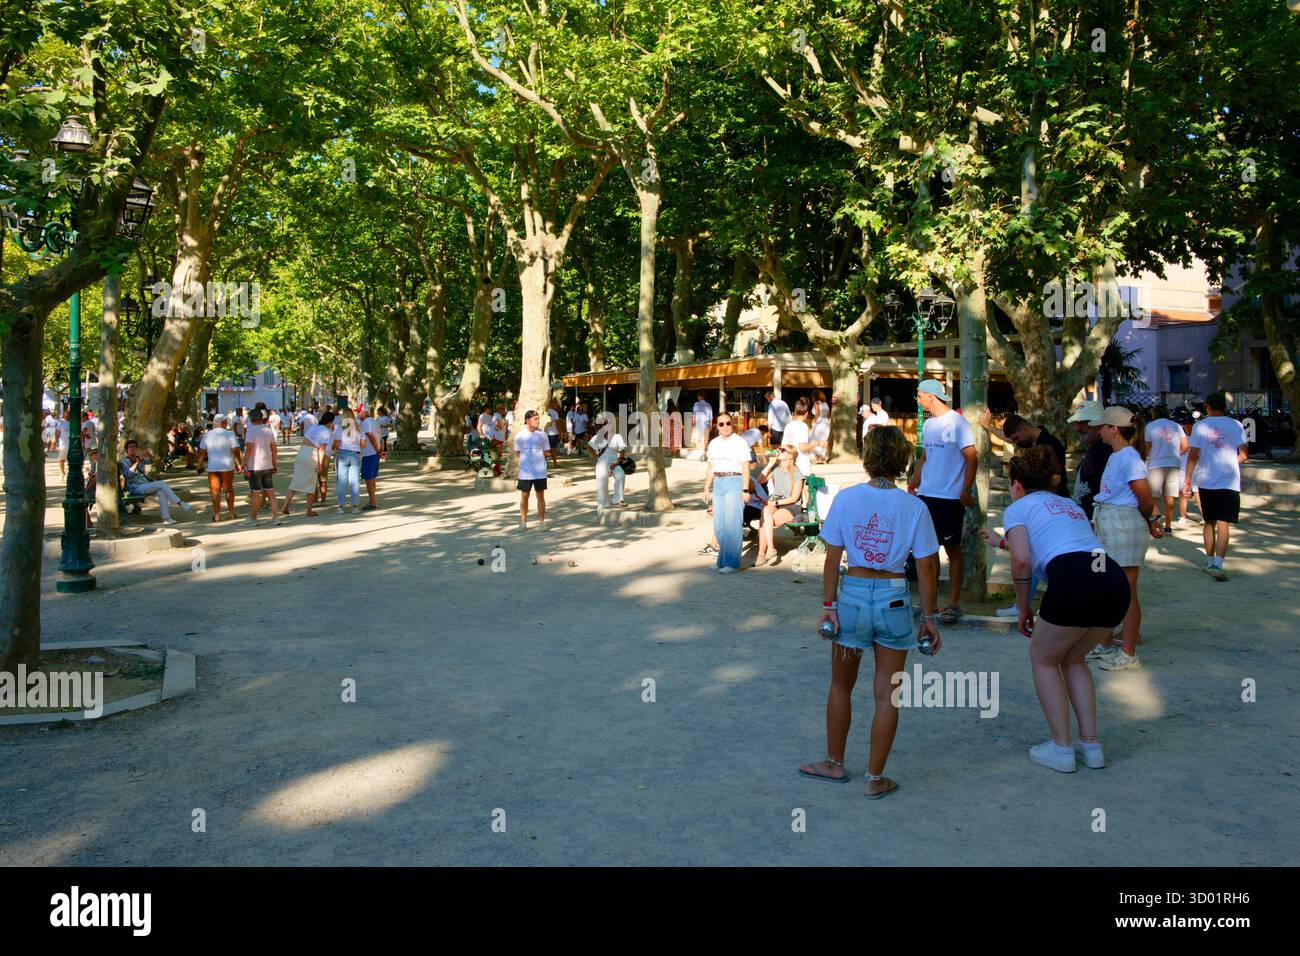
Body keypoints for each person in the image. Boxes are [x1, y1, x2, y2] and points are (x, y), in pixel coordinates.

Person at [800, 425, 941, 797]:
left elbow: (832, 558)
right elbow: (926, 567)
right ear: (901, 460)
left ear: (867, 458)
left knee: (840, 686)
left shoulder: (846, 499)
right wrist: (928, 618)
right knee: (887, 694)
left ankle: (834, 762)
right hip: (895, 596)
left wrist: (829, 606)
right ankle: (874, 778)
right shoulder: (914, 506)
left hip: (853, 596)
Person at [985, 445, 1129, 773]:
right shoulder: (1070, 505)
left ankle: (1062, 748)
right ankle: (1091, 745)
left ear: (1016, 483)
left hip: (1075, 579)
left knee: (1044, 659)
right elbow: (1064, 543)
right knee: (1073, 658)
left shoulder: (1018, 508)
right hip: (1110, 577)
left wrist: (1023, 608)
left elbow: (1021, 560)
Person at [1087, 405, 1163, 670]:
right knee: (1104, 586)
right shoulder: (1117, 455)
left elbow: (1144, 497)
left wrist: (1152, 519)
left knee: (1126, 591)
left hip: (1123, 523)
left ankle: (1128, 652)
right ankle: (1105, 643)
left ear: (1114, 429)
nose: (1099, 431)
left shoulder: (1129, 457)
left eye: (1103, 427)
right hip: (1108, 520)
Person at [978, 410, 1068, 617]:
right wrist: (989, 427)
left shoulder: (1050, 444)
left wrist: (1036, 489)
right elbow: (1010, 438)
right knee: (1035, 555)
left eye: (1017, 437)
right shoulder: (1034, 443)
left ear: (1025, 428)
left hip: (1050, 507)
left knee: (1040, 553)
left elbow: (1057, 478)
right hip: (1046, 506)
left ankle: (1026, 605)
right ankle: (1023, 603)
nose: (1015, 443)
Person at [907, 380, 977, 625]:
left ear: (931, 397)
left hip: (949, 497)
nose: (917, 400)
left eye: (919, 395)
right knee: (929, 549)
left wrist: (966, 490)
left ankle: (954, 603)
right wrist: (913, 484)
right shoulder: (928, 424)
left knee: (953, 550)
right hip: (927, 495)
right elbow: (925, 456)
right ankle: (931, 601)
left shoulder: (958, 423)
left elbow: (971, 458)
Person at [1186, 391, 1248, 582]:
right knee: (1224, 523)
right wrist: (1229, 464)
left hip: (1206, 480)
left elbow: (1193, 456)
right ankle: (1219, 564)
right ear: (1225, 407)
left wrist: (1187, 480)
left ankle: (1209, 561)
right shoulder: (1236, 425)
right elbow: (1244, 455)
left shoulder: (1200, 426)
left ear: (1208, 407)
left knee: (1208, 521)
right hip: (1229, 480)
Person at [702, 411, 752, 573]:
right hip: (718, 482)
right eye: (721, 424)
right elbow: (711, 467)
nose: (725, 426)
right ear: (717, 426)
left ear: (732, 424)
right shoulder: (714, 443)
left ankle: (732, 563)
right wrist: (706, 488)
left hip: (734, 480)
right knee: (719, 524)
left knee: (732, 524)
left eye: (728, 423)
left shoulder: (740, 442)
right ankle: (721, 561)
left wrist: (745, 489)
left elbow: (745, 466)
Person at [755, 444, 806, 567]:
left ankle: (762, 554)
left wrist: (775, 503)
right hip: (775, 503)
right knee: (766, 512)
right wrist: (770, 464)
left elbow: (794, 498)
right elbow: (758, 481)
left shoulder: (797, 474)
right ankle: (769, 549)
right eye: (779, 449)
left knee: (765, 521)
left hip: (791, 506)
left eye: (783, 450)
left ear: (791, 455)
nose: (779, 451)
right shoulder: (776, 469)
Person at [120, 440, 192, 525]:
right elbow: (128, 475)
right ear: (126, 450)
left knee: (161, 492)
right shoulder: (125, 461)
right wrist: (137, 463)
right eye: (130, 447)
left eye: (134, 446)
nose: (133, 448)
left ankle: (167, 518)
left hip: (145, 484)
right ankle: (179, 503)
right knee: (161, 483)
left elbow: (152, 461)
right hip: (135, 488)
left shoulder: (139, 458)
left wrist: (148, 454)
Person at [1144, 407, 1188, 533]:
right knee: (1169, 496)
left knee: (1152, 495)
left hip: (1155, 463)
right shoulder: (1177, 426)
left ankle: (1155, 517)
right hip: (1173, 463)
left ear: (1154, 415)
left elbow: (1147, 447)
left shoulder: (1151, 426)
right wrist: (1175, 454)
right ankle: (1168, 526)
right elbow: (1185, 447)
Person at [282, 411, 332, 518]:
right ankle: (309, 510)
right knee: (311, 484)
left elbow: (305, 439)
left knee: (295, 481)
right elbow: (322, 450)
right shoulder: (327, 432)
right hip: (312, 454)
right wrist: (320, 464)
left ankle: (286, 504)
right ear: (330, 422)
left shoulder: (314, 427)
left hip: (302, 451)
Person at [1067, 401, 1112, 519]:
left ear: (1100, 423)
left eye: (1084, 422)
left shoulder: (1106, 450)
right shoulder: (1096, 447)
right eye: (1077, 422)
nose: (1077, 427)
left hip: (1098, 522)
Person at [198, 415, 242, 522]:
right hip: (227, 466)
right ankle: (231, 513)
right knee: (229, 490)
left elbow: (202, 452)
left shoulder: (207, 435)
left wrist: (200, 464)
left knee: (215, 492)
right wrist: (239, 464)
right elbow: (235, 450)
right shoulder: (230, 434)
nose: (227, 423)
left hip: (213, 467)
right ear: (222, 422)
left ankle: (217, 515)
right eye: (226, 421)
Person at [242, 408, 281, 526]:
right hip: (267, 464)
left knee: (255, 493)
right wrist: (274, 464)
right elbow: (274, 450)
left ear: (251, 419)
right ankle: (275, 517)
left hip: (255, 465)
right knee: (270, 492)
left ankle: (252, 518)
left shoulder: (251, 431)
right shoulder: (268, 430)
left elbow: (249, 449)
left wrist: (245, 465)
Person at [514, 409, 551, 530]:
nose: (538, 421)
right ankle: (523, 523)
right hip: (525, 472)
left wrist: (537, 458)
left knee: (540, 496)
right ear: (527, 420)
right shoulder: (520, 435)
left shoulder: (542, 434)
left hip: (540, 471)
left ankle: (541, 523)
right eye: (535, 419)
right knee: (524, 496)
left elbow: (546, 452)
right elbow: (518, 452)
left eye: (538, 418)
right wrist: (528, 460)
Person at [587, 412, 628, 508]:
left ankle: (618, 499)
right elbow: (589, 446)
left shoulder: (617, 437)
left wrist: (618, 461)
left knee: (620, 475)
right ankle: (603, 504)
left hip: (614, 462)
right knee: (602, 481)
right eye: (605, 424)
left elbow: (622, 451)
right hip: (602, 463)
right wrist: (595, 455)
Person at [333, 407, 364, 514]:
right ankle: (355, 506)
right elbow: (363, 444)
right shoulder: (358, 429)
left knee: (341, 481)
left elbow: (336, 445)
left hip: (342, 454)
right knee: (354, 481)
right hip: (355, 454)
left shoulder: (340, 429)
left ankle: (341, 506)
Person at [357, 405, 385, 511]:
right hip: (374, 453)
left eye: (359, 412)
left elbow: (370, 436)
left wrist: (378, 450)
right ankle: (372, 500)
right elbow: (381, 438)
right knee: (372, 478)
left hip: (369, 453)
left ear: (364, 412)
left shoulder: (366, 423)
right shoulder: (374, 421)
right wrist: (380, 450)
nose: (358, 414)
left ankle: (372, 502)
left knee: (369, 478)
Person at [782, 397, 815, 476]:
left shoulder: (788, 425)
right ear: (806, 413)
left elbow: (784, 445)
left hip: (789, 465)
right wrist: (817, 443)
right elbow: (802, 447)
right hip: (802, 465)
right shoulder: (803, 426)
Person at [55, 410, 71, 477]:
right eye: (66, 413)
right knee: (61, 459)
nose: (67, 415)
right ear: (64, 414)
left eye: (68, 414)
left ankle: (69, 472)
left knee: (70, 459)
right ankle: (62, 472)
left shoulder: (72, 422)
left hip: (70, 444)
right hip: (63, 443)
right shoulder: (61, 422)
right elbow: (57, 431)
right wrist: (56, 440)